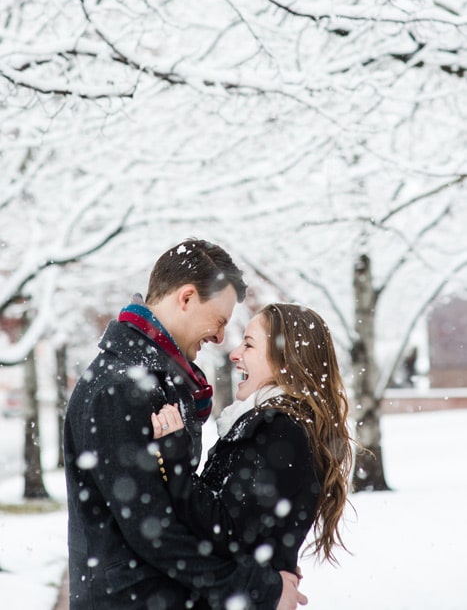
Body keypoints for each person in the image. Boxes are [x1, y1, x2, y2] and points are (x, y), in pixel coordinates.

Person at [64, 240, 307, 610]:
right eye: (220, 320)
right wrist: (257, 589)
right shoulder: (119, 388)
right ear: (187, 298)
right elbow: (154, 532)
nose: (221, 338)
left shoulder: (157, 380)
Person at [151, 302, 353, 603]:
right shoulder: (274, 425)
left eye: (248, 344)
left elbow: (226, 531)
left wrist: (173, 456)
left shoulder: (282, 429)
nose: (234, 354)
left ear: (286, 358)